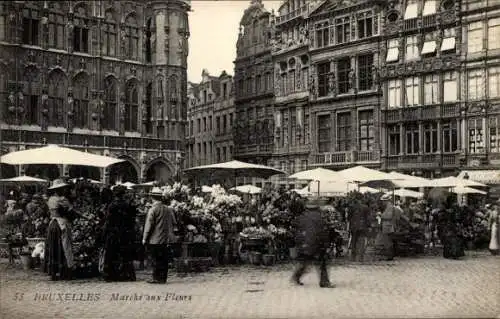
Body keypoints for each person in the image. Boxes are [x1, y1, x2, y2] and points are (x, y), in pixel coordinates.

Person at [291, 197, 333, 288]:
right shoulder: (320, 217)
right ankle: (324, 282)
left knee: (305, 262)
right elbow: (323, 232)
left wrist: (299, 243)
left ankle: (296, 276)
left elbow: (296, 229)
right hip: (316, 243)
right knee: (322, 263)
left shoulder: (302, 216)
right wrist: (326, 244)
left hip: (305, 243)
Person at [101, 185, 137, 282]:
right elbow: (131, 220)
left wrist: (104, 233)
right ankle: (126, 274)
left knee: (111, 254)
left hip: (113, 232)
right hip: (124, 232)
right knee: (125, 254)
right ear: (123, 194)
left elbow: (108, 221)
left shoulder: (112, 206)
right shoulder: (127, 205)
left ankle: (110, 275)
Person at [43, 179, 77, 281]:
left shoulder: (50, 199)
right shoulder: (62, 199)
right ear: (60, 189)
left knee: (53, 247)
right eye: (63, 188)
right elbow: (71, 212)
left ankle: (53, 272)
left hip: (52, 224)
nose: (64, 190)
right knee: (65, 246)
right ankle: (65, 272)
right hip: (61, 224)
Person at [143, 187, 176, 284]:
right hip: (165, 238)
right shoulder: (168, 209)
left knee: (155, 259)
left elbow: (148, 225)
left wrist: (145, 238)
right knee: (164, 259)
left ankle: (156, 277)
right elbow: (173, 222)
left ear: (152, 198)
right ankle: (163, 278)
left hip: (155, 239)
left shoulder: (152, 210)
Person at [376, 194, 402, 261]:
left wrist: (380, 215)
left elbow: (389, 216)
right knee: (388, 241)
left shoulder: (389, 207)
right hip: (388, 226)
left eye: (384, 201)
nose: (383, 202)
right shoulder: (389, 206)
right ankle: (390, 255)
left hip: (388, 226)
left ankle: (390, 256)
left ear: (387, 201)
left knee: (387, 241)